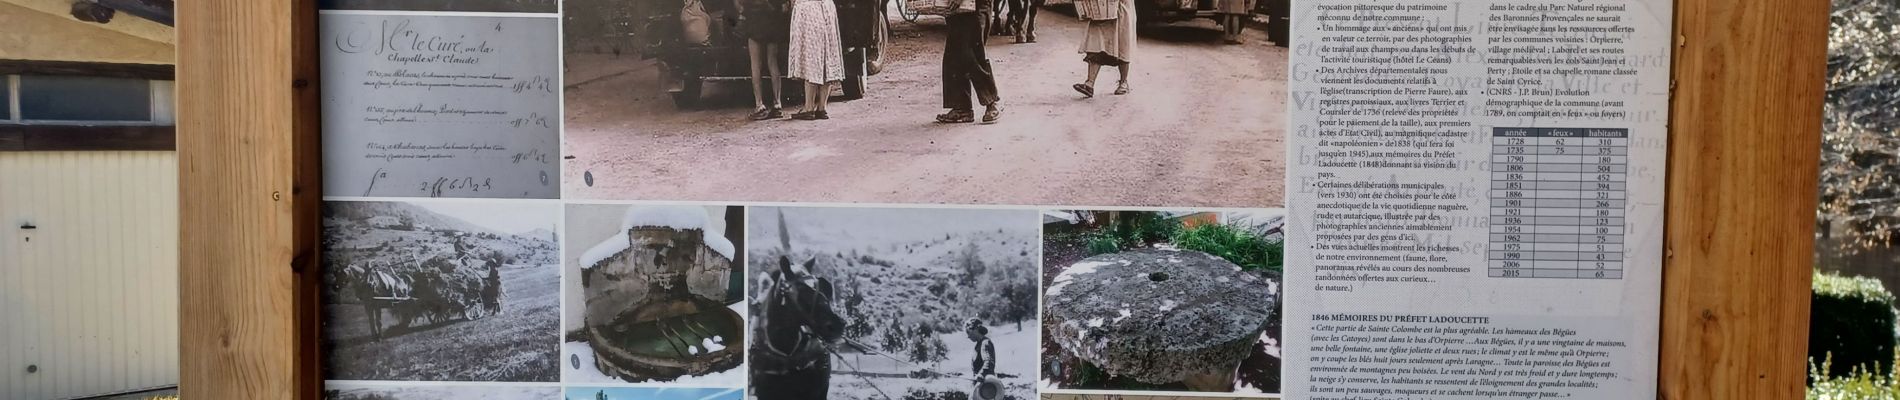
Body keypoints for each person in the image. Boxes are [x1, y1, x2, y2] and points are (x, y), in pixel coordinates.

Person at [939, 0, 1004, 124]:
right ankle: (961, 108)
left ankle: (992, 101)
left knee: (972, 53)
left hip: (977, 6)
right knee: (954, 54)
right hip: (957, 9)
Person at [787, 0, 845, 120]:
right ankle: (822, 107)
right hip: (826, 7)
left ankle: (809, 107)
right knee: (827, 55)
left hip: (808, 9)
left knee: (811, 57)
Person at [738, 0, 792, 119]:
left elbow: (741, 4)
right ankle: (777, 103)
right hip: (772, 22)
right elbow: (784, 7)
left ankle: (759, 105)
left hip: (754, 21)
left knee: (756, 65)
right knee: (773, 63)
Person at [1073, 0, 1135, 97]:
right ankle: (1090, 84)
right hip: (1100, 9)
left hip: (1122, 8)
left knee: (1122, 42)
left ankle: (1123, 82)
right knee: (1095, 42)